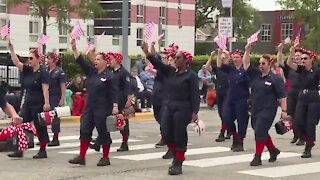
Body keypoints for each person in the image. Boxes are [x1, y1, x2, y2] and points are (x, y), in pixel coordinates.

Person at [142, 41, 200, 175]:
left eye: (178, 57)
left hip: (183, 108)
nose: (175, 59)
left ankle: (178, 161)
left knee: (179, 134)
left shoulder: (191, 76)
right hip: (169, 106)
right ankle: (175, 154)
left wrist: (195, 112)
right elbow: (158, 65)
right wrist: (147, 53)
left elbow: (195, 94)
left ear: (186, 61)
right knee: (166, 133)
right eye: (175, 57)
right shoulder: (170, 72)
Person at [68, 39, 119, 166]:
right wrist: (74, 48)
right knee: (84, 130)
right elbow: (81, 61)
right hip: (89, 107)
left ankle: (105, 157)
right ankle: (82, 156)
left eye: (98, 59)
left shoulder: (110, 76)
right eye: (95, 59)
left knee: (103, 132)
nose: (95, 61)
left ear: (105, 62)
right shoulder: (91, 72)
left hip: (103, 108)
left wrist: (115, 106)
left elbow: (114, 92)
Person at [243, 44, 287, 166]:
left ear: (269, 64)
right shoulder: (256, 75)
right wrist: (247, 51)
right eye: (260, 63)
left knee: (260, 131)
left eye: (263, 63)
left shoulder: (275, 78)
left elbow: (282, 96)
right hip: (255, 108)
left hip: (268, 109)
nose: (261, 66)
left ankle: (258, 156)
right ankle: (273, 150)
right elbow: (246, 64)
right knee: (259, 130)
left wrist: (284, 111)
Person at [8, 42, 51, 159]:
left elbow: (45, 89)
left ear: (38, 60)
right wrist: (12, 49)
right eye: (28, 58)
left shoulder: (43, 73)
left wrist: (46, 103)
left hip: (39, 103)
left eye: (31, 58)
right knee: (19, 123)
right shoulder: (28, 70)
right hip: (28, 103)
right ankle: (20, 149)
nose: (29, 60)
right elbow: (17, 63)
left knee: (40, 127)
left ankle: (43, 150)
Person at [286, 46, 320, 158]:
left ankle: (308, 147)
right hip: (302, 97)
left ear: (311, 59)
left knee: (310, 123)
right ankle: (306, 139)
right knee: (298, 122)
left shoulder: (317, 71)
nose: (303, 60)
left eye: (306, 59)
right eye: (302, 59)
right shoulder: (301, 70)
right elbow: (290, 63)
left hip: (313, 97)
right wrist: (292, 52)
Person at [217, 49, 250, 152]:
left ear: (242, 58)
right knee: (226, 118)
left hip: (242, 99)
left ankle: (240, 141)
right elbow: (219, 65)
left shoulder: (245, 71)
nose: (235, 59)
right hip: (231, 98)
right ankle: (234, 137)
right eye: (234, 57)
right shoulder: (231, 69)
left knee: (242, 121)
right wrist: (219, 53)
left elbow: (250, 86)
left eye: (237, 57)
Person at [277, 43, 305, 146]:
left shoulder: (304, 69)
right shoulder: (290, 69)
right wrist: (280, 51)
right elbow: (280, 62)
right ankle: (296, 135)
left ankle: (303, 137)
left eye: (299, 56)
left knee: (300, 116)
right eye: (296, 56)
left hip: (301, 95)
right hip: (291, 94)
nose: (297, 57)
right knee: (292, 116)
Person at [205, 50, 232, 142]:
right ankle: (229, 128)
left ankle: (222, 133)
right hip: (219, 93)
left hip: (228, 93)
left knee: (225, 113)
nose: (223, 59)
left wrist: (226, 54)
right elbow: (206, 67)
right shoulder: (218, 69)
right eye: (222, 58)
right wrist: (212, 56)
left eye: (225, 57)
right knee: (221, 114)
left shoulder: (230, 69)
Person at [46, 52, 66, 147]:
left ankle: (55, 138)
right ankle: (45, 137)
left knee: (55, 118)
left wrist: (62, 98)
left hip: (56, 96)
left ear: (54, 61)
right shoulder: (47, 71)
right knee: (45, 117)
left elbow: (63, 86)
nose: (47, 61)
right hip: (47, 96)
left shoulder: (59, 72)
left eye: (49, 59)